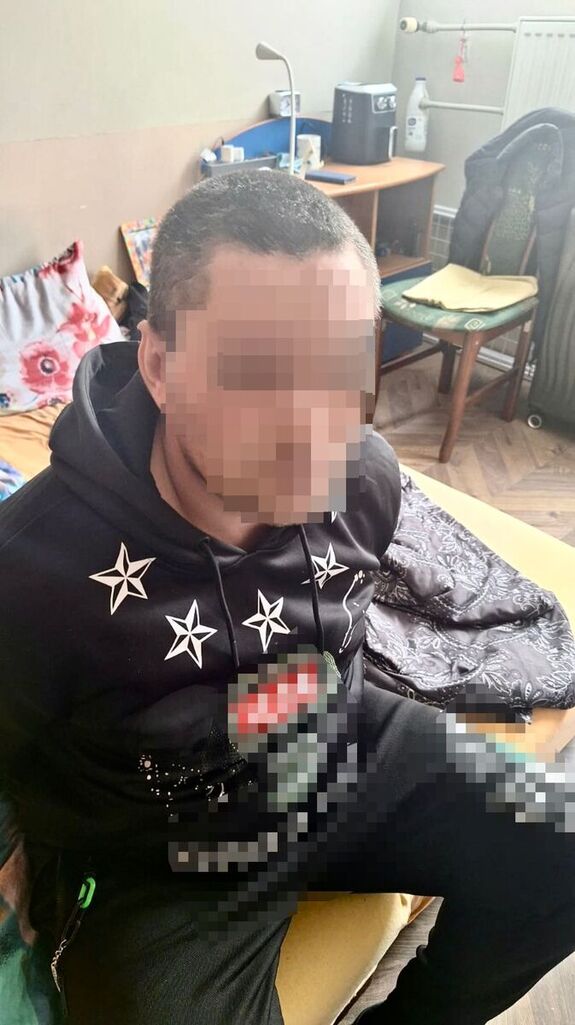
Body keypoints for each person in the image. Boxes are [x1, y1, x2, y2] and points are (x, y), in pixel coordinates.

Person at [0, 170, 574, 1025]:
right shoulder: (32, 565)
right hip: (158, 855)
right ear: (158, 365)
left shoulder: (364, 476)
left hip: (335, 748)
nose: (314, 426)